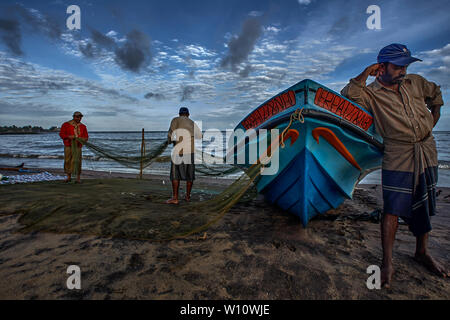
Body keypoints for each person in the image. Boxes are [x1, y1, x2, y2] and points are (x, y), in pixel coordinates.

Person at [341, 43, 448, 288]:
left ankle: (422, 251)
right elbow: (348, 94)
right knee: (392, 207)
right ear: (382, 67)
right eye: (398, 66)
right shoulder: (371, 93)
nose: (403, 71)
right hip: (398, 152)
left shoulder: (416, 82)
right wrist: (365, 73)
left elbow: (436, 94)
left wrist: (433, 120)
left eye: (405, 65)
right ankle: (387, 261)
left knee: (425, 199)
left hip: (427, 149)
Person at [166, 107, 202, 204]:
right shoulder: (192, 122)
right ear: (188, 114)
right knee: (189, 176)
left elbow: (170, 135)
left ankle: (175, 198)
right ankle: (187, 197)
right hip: (190, 152)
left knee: (175, 175)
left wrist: (170, 141)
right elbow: (200, 136)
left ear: (179, 114)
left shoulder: (175, 120)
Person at [59, 111, 89, 183]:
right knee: (67, 160)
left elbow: (86, 137)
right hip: (68, 145)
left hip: (78, 146)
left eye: (80, 117)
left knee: (77, 161)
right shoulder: (66, 124)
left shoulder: (83, 126)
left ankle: (78, 178)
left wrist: (83, 139)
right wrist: (69, 137)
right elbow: (61, 134)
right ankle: (68, 177)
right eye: (77, 117)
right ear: (74, 117)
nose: (79, 118)